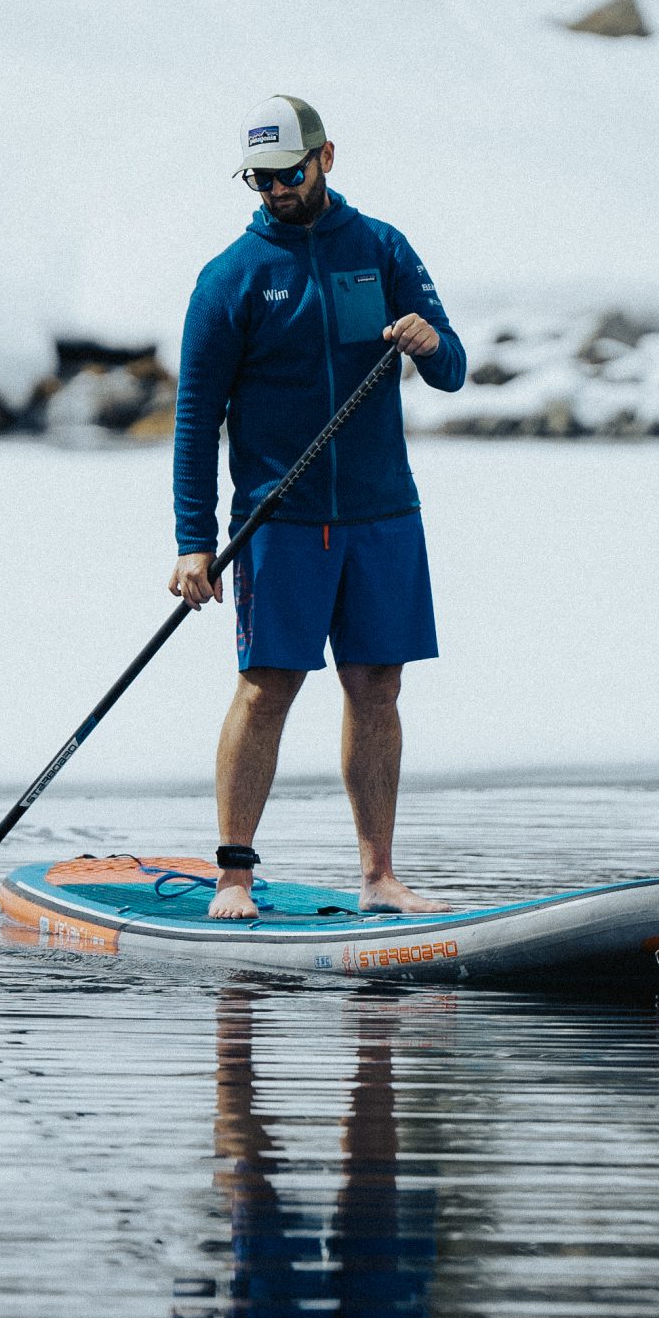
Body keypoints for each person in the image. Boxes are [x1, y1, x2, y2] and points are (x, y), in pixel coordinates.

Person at [168, 95, 467, 920]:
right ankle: (235, 875)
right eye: (258, 180)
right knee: (268, 687)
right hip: (280, 522)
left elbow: (453, 367)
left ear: (325, 158)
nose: (274, 192)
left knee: (376, 688)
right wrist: (195, 541)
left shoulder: (380, 248)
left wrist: (431, 342)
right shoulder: (231, 278)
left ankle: (378, 874)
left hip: (382, 516)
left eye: (287, 175)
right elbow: (196, 422)